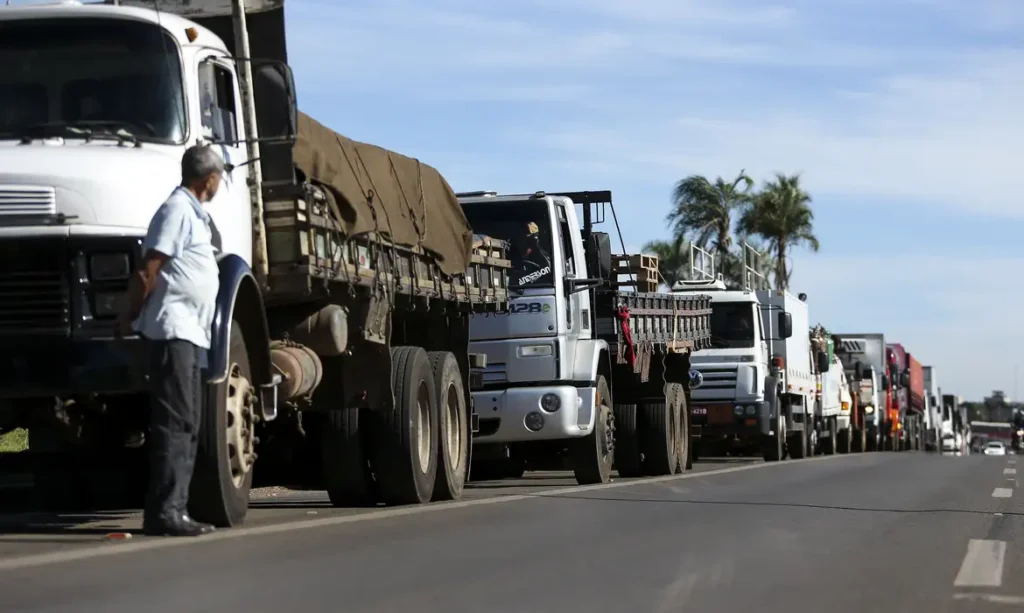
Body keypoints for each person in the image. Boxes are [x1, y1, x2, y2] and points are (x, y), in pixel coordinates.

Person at [115, 144, 224, 537]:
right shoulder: (177, 209)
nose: (220, 183)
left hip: (189, 332)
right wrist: (128, 315)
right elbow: (150, 269)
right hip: (173, 330)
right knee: (177, 422)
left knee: (187, 422)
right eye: (219, 177)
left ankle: (173, 508)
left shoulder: (193, 213)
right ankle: (166, 512)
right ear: (209, 179)